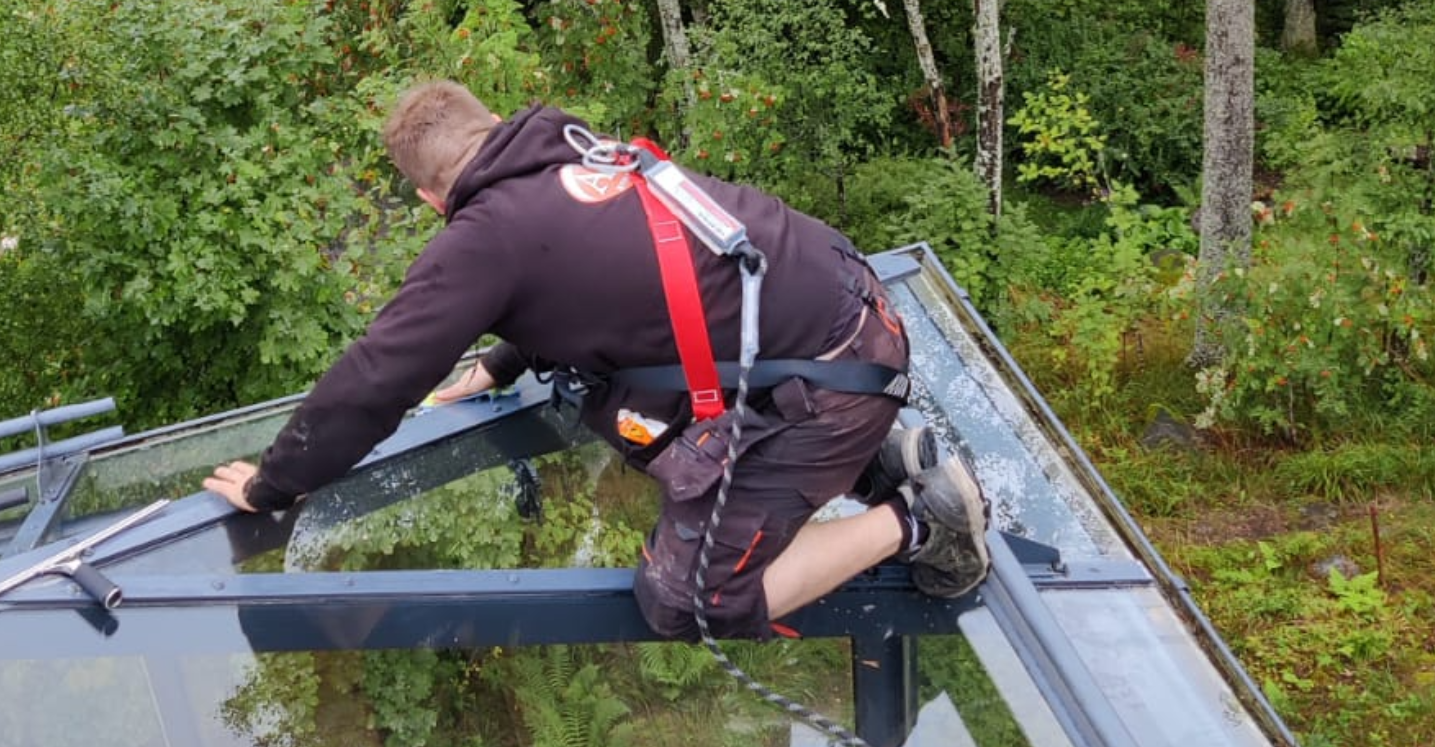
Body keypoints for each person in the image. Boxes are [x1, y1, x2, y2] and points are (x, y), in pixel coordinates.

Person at [205, 80, 989, 642]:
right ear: (495, 126)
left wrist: (274, 484)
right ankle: (878, 459)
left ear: (430, 200)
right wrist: (500, 365)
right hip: (856, 312)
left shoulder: (485, 239)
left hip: (832, 378)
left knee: (693, 602)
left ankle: (921, 519)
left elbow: (373, 379)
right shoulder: (584, 154)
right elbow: (600, 281)